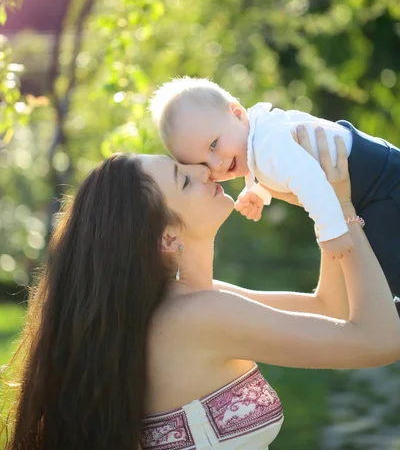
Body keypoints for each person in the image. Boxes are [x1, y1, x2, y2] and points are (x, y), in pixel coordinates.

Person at [3, 128, 400, 450]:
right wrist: (343, 210)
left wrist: (319, 201)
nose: (205, 172)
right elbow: (381, 339)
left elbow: (330, 308)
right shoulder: (199, 317)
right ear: (167, 237)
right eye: (183, 179)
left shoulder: (186, 305)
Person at [150, 76, 400, 309]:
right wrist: (259, 191)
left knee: (386, 263)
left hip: (380, 184)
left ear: (237, 114)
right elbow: (287, 173)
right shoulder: (261, 136)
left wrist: (331, 231)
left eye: (214, 145)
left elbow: (309, 180)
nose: (215, 164)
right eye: (203, 164)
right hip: (377, 172)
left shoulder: (268, 145)